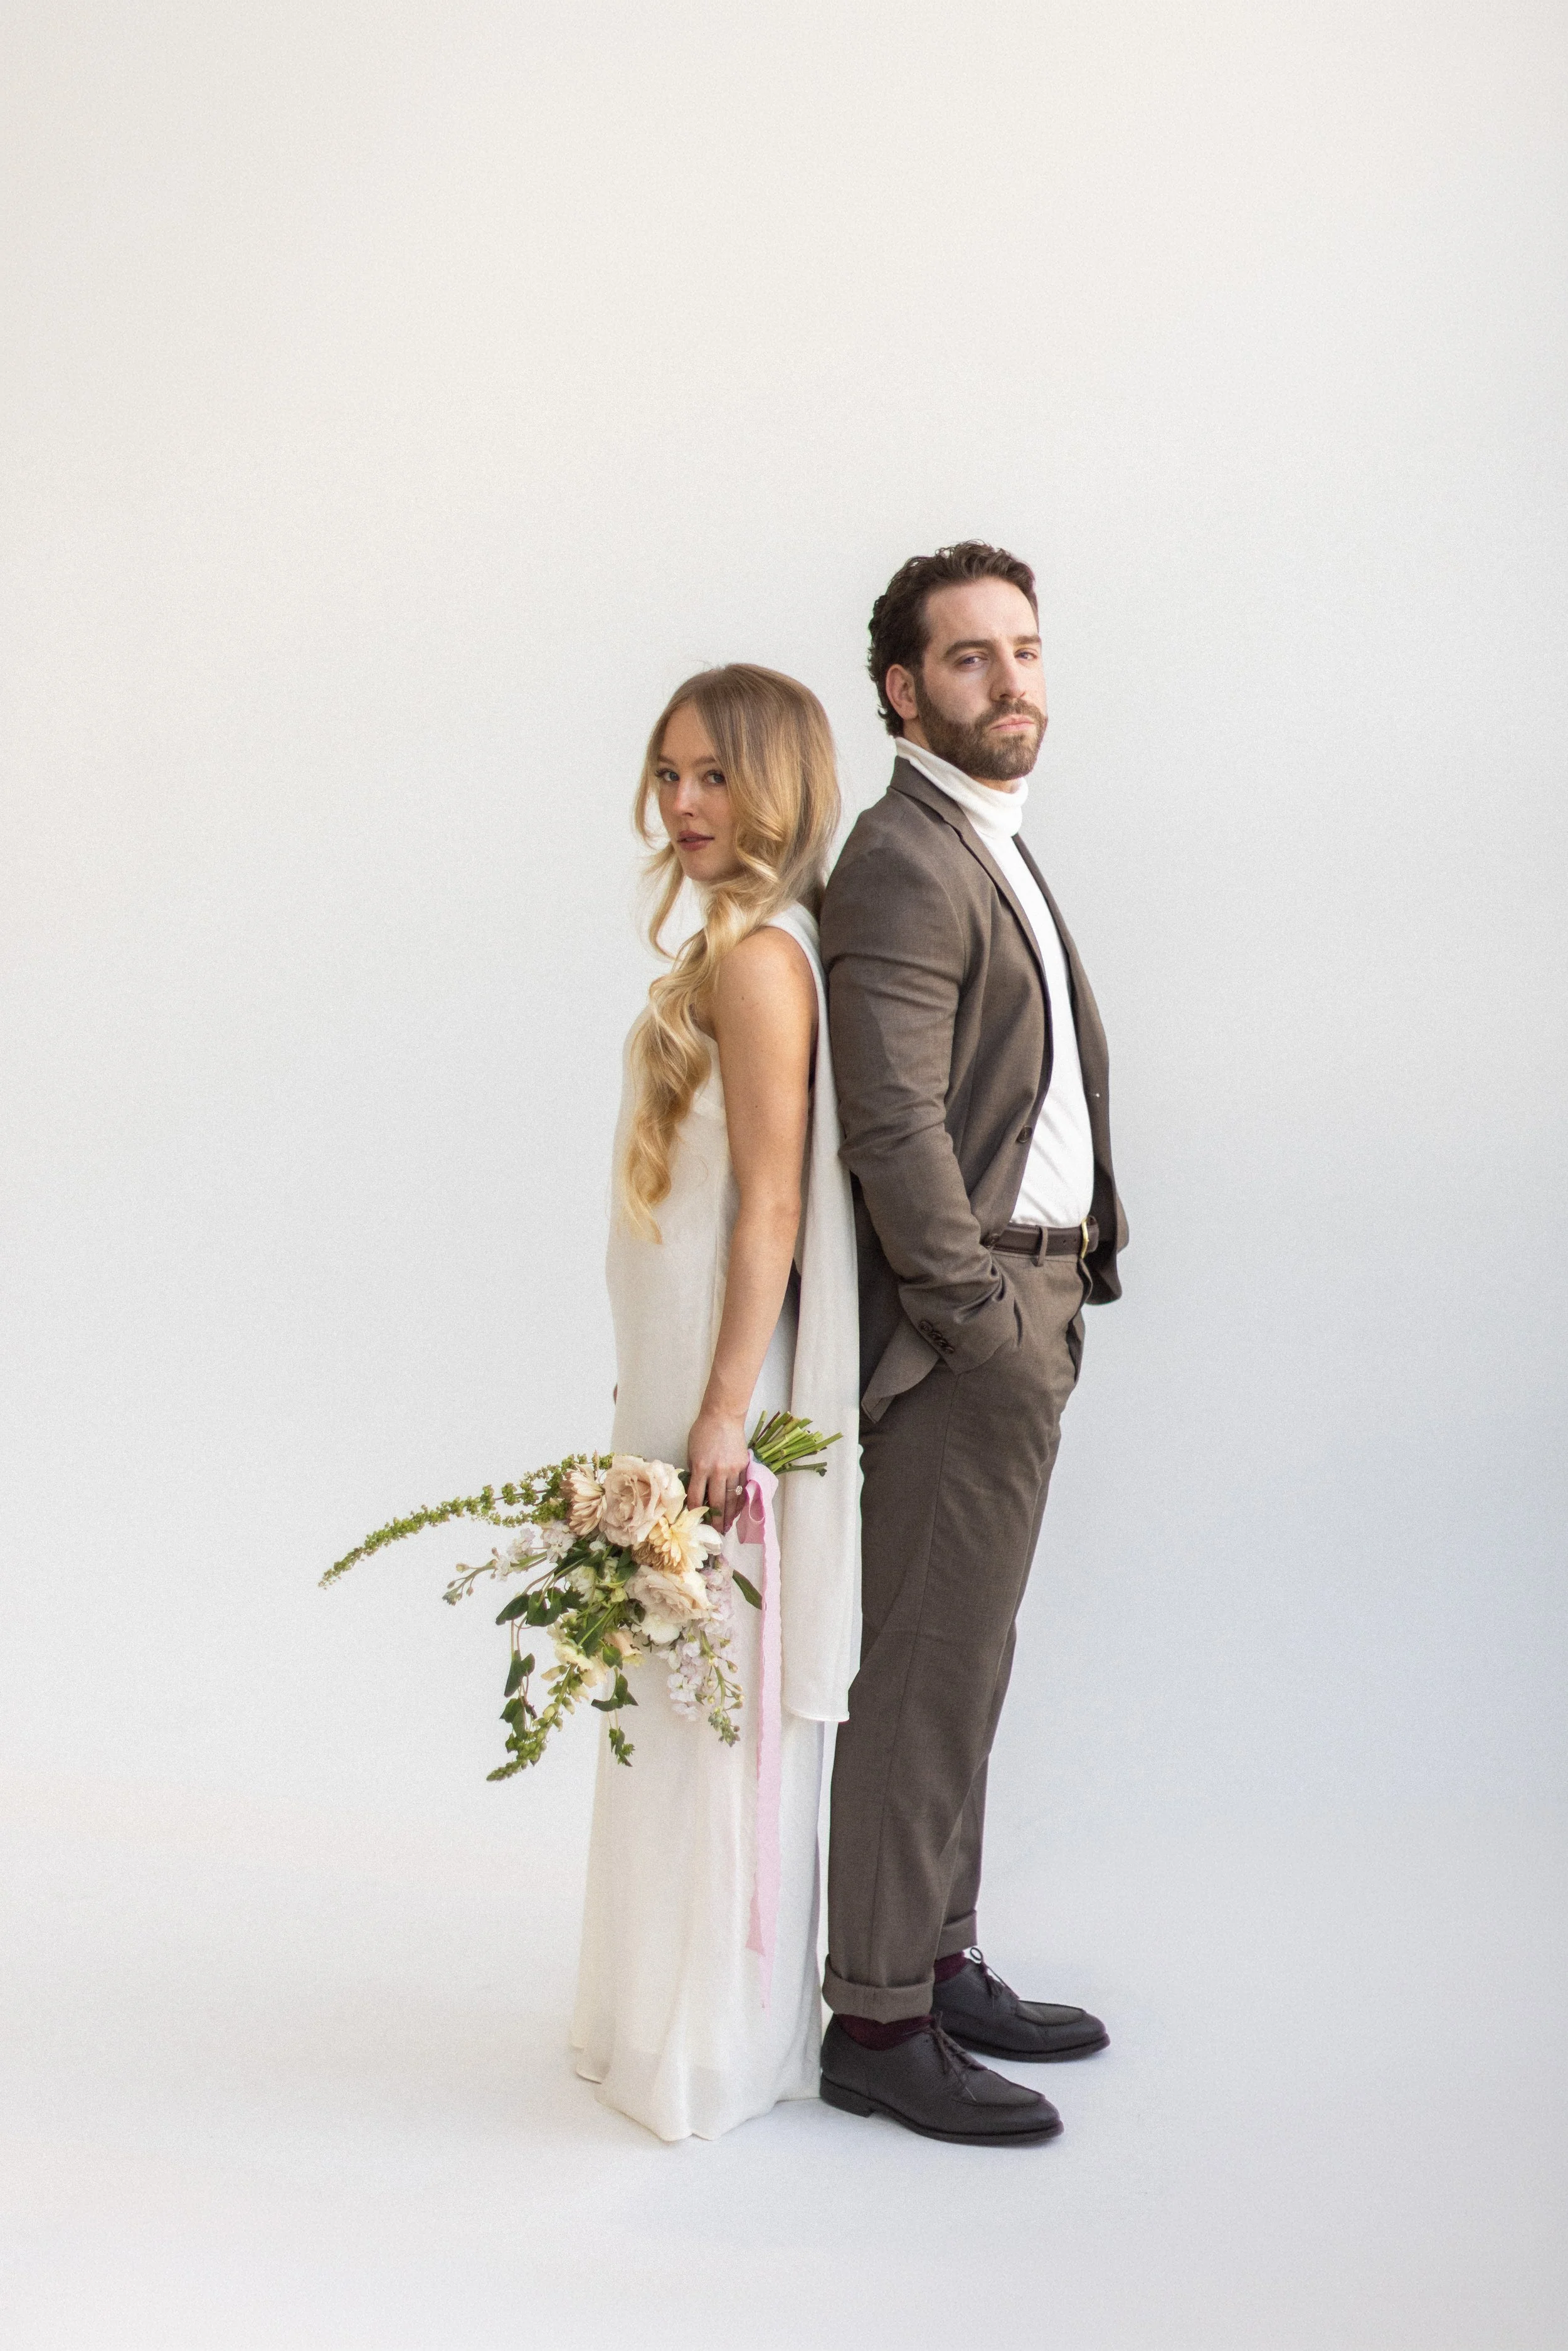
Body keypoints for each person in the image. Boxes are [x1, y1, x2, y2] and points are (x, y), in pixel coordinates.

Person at [817, 542, 1128, 2147]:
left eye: (1023, 650)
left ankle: (935, 1955)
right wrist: (977, 1319)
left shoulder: (980, 837)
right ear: (900, 690)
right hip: (968, 1327)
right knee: (923, 1671)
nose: (1010, 682)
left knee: (966, 1657)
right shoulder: (902, 857)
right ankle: (874, 2013)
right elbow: (889, 1127)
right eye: (968, 659)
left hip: (1033, 1303)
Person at [572, 664, 861, 2142]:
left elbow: (769, 1207)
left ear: (778, 785)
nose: (685, 803)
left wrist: (720, 1411)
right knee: (671, 1698)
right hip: (675, 1373)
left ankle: (707, 2039)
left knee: (706, 1705)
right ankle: (661, 2013)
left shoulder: (759, 962)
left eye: (716, 776)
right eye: (670, 773)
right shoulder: (735, 945)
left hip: (713, 1393)